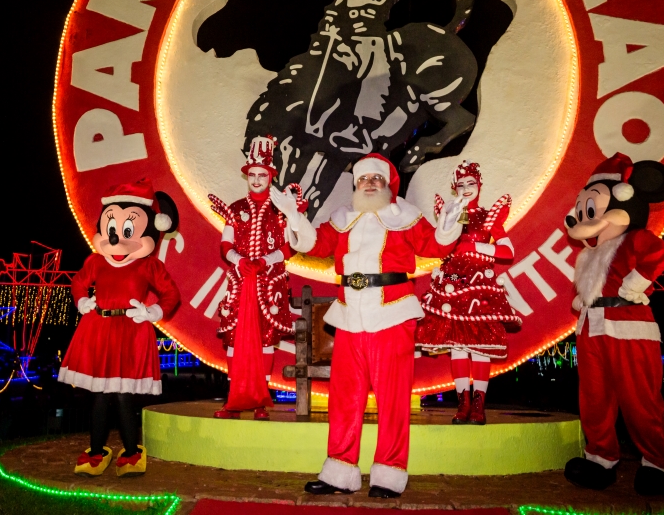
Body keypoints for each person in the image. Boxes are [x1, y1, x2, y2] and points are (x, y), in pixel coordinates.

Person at [271, 153, 464, 498]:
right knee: (344, 397)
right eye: (363, 179)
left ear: (388, 184)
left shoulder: (405, 216)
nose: (370, 183)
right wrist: (293, 216)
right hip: (349, 313)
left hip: (392, 313)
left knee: (392, 398)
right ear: (356, 185)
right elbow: (315, 245)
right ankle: (340, 472)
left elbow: (433, 245)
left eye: (376, 178)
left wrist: (449, 224)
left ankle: (389, 474)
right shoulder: (342, 218)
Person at [563, 153, 664, 496]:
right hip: (592, 327)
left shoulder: (634, 239)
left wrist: (635, 283)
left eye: (593, 208)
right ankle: (600, 458)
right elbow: (591, 286)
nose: (585, 218)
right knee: (594, 398)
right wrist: (583, 300)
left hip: (628, 326)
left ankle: (660, 463)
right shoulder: (588, 254)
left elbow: (659, 253)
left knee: (639, 397)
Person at [59, 179, 180, 477]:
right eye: (112, 230)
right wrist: (81, 301)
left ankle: (130, 452)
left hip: (130, 331)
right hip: (98, 329)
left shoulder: (147, 265)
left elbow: (171, 294)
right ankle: (97, 453)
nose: (116, 240)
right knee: (100, 394)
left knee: (124, 395)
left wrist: (152, 311)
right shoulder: (96, 261)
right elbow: (77, 283)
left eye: (128, 231)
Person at [415, 160, 520, 425]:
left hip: (477, 285)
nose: (465, 188)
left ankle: (479, 404)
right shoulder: (449, 212)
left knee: (479, 347)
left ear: (479, 185)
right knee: (458, 346)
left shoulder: (488, 216)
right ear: (454, 189)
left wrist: (476, 250)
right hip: (451, 283)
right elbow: (439, 243)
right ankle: (462, 402)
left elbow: (508, 251)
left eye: (470, 183)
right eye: (460, 185)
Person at [209, 135, 297, 420]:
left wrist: (266, 260)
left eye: (263, 175)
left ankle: (261, 400)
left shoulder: (281, 210)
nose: (257, 180)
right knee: (235, 340)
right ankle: (234, 398)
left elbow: (290, 247)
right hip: (240, 283)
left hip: (269, 285)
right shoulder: (235, 209)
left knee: (265, 341)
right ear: (247, 176)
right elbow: (225, 246)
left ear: (271, 177)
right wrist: (241, 261)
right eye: (253, 175)